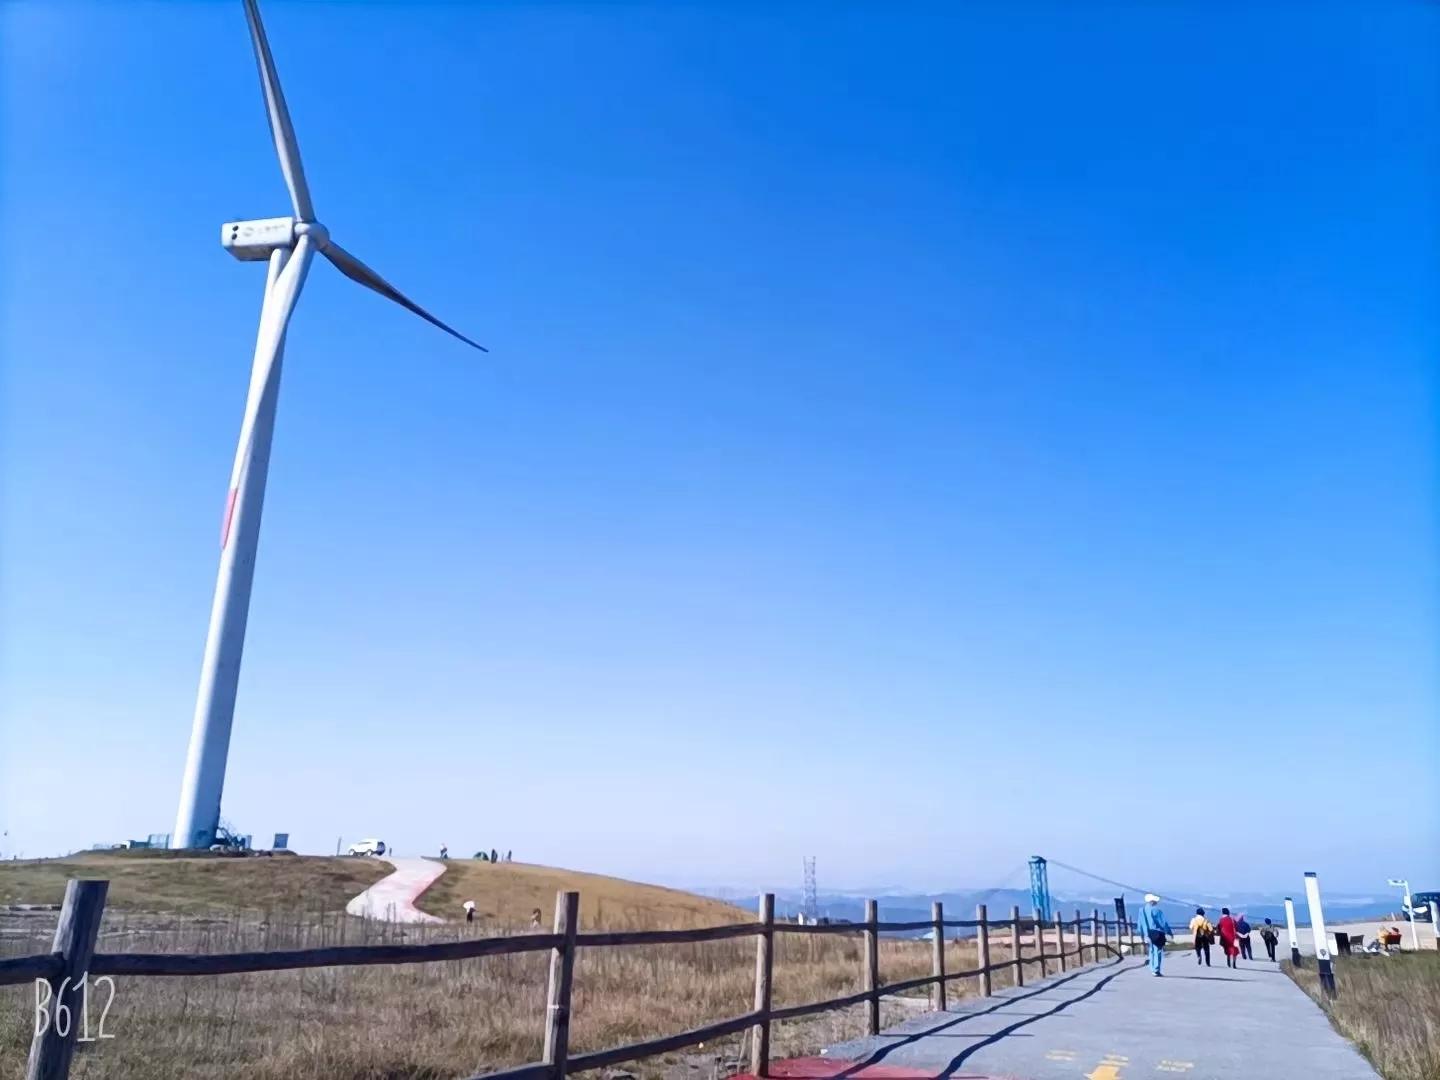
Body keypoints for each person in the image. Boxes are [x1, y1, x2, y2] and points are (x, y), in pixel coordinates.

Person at [1138, 894, 1173, 975]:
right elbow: (1163, 923)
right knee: (1158, 950)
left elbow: (1140, 923)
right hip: (1157, 932)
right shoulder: (1156, 910)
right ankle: (1156, 969)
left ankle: (1152, 967)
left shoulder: (1142, 910)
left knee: (1152, 950)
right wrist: (1169, 932)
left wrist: (1142, 934)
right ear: (1152, 901)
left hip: (1148, 932)